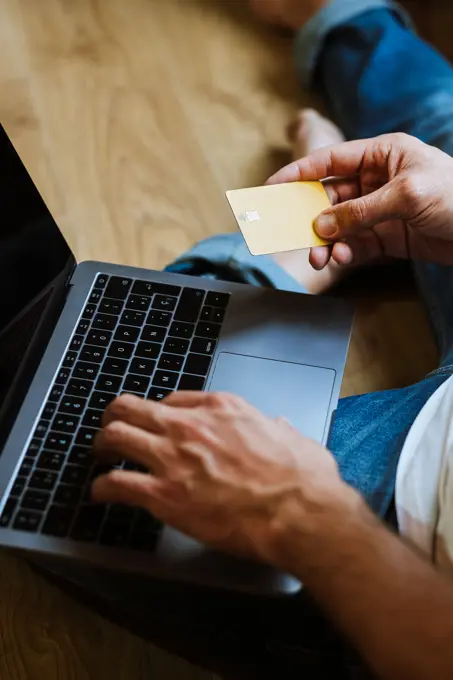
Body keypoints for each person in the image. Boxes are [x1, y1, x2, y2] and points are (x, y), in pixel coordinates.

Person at [36, 1, 453, 679]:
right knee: (439, 145)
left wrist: (309, 517)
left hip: (406, 536)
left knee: (74, 440)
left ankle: (297, 253)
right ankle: (344, 19)